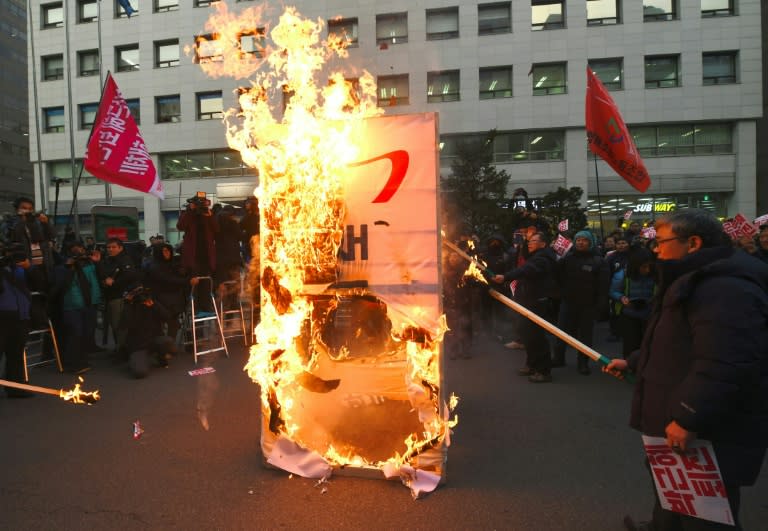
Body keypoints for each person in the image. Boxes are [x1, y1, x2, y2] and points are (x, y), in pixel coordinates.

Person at [604, 209, 768, 531]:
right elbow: (675, 339)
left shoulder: (724, 287)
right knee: (672, 488)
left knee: (704, 512)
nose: (655, 249)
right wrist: (637, 361)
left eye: (662, 241)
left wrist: (689, 415)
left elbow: (726, 360)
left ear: (692, 243)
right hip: (679, 408)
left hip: (704, 427)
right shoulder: (696, 277)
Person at [492, 231, 558, 383]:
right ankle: (531, 364)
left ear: (543, 243)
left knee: (536, 336)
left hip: (536, 302)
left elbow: (525, 270)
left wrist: (506, 276)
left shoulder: (543, 258)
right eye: (529, 240)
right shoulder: (534, 256)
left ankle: (543, 370)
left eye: (534, 240)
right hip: (527, 300)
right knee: (526, 335)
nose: (530, 243)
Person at [551, 230, 609, 375]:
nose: (580, 242)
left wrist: (600, 305)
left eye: (584, 240)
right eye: (578, 240)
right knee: (561, 331)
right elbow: (556, 274)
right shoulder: (567, 258)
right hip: (568, 301)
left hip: (588, 304)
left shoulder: (599, 261)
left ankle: (583, 363)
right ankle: (558, 358)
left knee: (585, 335)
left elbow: (603, 286)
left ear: (591, 242)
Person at [50, 241, 102, 374]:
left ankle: (81, 360)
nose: (78, 254)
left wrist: (96, 262)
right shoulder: (61, 268)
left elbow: (95, 280)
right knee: (75, 333)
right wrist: (68, 267)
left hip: (86, 304)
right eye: (75, 252)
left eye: (80, 251)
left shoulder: (87, 266)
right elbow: (59, 287)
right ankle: (72, 363)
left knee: (85, 332)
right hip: (71, 306)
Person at [119, 283, 176, 378]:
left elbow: (167, 316)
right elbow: (124, 325)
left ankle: (160, 356)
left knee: (169, 343)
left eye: (141, 292)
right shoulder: (130, 307)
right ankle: (135, 359)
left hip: (154, 340)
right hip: (138, 345)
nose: (141, 296)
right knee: (140, 373)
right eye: (137, 293)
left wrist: (154, 305)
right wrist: (128, 304)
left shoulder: (151, 303)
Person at [609, 246, 656, 359]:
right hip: (629, 314)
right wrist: (622, 298)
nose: (647, 270)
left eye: (649, 267)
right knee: (631, 344)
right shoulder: (623, 275)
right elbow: (613, 291)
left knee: (649, 344)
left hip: (650, 314)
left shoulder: (656, 275)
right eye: (643, 267)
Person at [0, 243, 34, 398]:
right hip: (4, 315)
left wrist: (29, 268)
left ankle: (16, 388)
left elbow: (38, 281)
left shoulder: (19, 270)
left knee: (16, 354)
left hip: (20, 315)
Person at [177, 194, 218, 314]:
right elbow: (180, 226)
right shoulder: (189, 214)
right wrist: (191, 210)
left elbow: (216, 228)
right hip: (193, 257)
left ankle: (206, 309)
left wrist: (209, 214)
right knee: (195, 285)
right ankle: (196, 311)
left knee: (206, 284)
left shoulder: (207, 214)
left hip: (207, 256)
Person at [97, 237, 142, 349]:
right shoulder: (107, 260)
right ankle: (120, 348)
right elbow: (102, 275)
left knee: (120, 326)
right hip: (110, 297)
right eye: (108, 247)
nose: (110, 249)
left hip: (120, 297)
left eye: (113, 247)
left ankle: (123, 350)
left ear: (120, 248)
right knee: (114, 325)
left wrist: (114, 282)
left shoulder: (125, 259)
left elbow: (130, 276)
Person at [144, 243, 188, 344]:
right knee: (160, 325)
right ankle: (162, 347)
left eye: (168, 250)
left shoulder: (172, 264)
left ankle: (169, 346)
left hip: (173, 301)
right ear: (159, 252)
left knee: (173, 323)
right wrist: (186, 280)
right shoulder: (154, 266)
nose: (167, 253)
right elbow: (168, 279)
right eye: (164, 251)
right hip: (160, 300)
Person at [442, 243, 474, 360]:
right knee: (451, 328)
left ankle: (466, 350)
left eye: (456, 256)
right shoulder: (443, 271)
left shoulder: (467, 271)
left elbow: (473, 284)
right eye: (452, 256)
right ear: (449, 258)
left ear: (460, 258)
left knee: (465, 326)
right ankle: (453, 350)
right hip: (449, 303)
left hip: (464, 303)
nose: (454, 258)